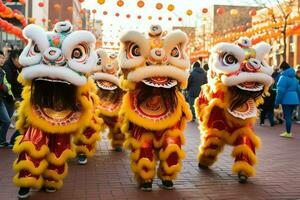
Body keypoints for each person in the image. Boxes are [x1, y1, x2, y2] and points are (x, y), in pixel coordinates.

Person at [275, 61, 300, 138]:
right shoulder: (294, 78)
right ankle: (288, 131)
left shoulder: (283, 78)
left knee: (287, 117)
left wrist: (277, 101)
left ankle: (288, 132)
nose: (280, 71)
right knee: (289, 116)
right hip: (295, 99)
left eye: (280, 69)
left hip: (286, 100)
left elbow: (280, 91)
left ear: (282, 69)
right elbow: (298, 89)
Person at [0, 50, 12, 147]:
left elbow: (6, 85)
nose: (2, 60)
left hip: (1, 100)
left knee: (7, 121)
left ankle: (2, 140)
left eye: (3, 58)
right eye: (0, 58)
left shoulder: (2, 71)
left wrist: (5, 87)